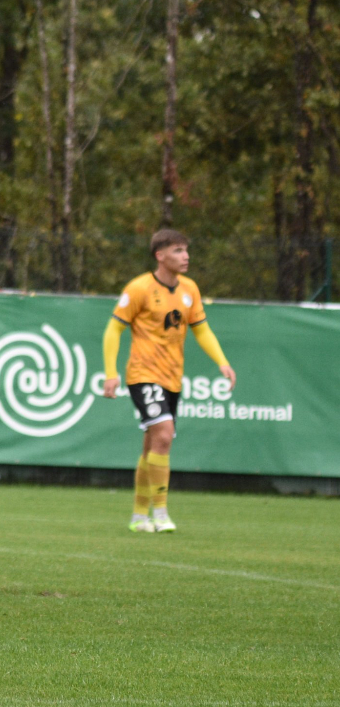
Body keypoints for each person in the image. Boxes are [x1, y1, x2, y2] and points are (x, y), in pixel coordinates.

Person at [102, 228, 235, 533]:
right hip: (143, 375)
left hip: (173, 378)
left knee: (153, 445)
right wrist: (111, 372)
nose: (185, 256)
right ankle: (160, 512)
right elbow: (113, 330)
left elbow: (201, 329)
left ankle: (139, 516)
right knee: (164, 435)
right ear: (160, 255)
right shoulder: (139, 288)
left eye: (186, 250)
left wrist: (222, 362)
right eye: (177, 250)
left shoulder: (190, 289)